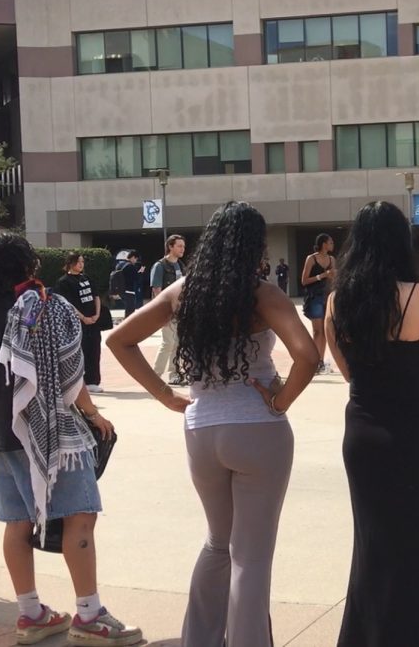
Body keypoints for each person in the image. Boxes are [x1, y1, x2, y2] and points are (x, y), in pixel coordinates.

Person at [108, 202, 316, 647]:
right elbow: (308, 355)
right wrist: (280, 399)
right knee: (251, 557)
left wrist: (165, 396)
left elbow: (119, 339)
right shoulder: (262, 294)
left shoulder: (182, 291)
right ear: (255, 246)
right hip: (258, 430)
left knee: (218, 544)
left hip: (202, 429)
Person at [0, 229, 143, 646]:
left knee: (17, 523)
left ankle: (30, 613)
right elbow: (68, 375)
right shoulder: (43, 308)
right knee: (79, 515)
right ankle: (89, 616)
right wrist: (93, 414)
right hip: (52, 436)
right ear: (28, 264)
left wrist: (9, 401)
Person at [324, 201, 419, 647]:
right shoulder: (416, 297)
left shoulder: (338, 301)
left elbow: (346, 369)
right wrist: (417, 411)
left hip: (363, 428)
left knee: (372, 545)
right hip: (417, 430)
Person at [55, 252, 105, 394]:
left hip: (93, 322)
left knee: (94, 350)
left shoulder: (87, 278)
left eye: (82, 261)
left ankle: (93, 381)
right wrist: (83, 318)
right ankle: (79, 382)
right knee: (80, 351)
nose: (81, 264)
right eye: (78, 262)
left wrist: (96, 314)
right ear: (70, 263)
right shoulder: (64, 282)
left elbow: (96, 296)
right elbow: (67, 304)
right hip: (77, 324)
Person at [151, 234, 187, 385]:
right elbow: (157, 290)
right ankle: (154, 376)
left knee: (178, 343)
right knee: (168, 343)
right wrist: (163, 313)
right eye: (179, 246)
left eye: (183, 246)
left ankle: (174, 374)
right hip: (166, 311)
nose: (182, 249)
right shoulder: (160, 266)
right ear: (170, 247)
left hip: (180, 311)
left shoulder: (180, 265)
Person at [301, 233, 336, 374]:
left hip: (327, 297)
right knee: (317, 332)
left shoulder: (332, 259)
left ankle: (321, 362)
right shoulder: (311, 258)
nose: (332, 244)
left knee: (326, 331)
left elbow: (333, 280)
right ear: (323, 244)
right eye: (330, 242)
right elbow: (304, 281)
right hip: (315, 296)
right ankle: (314, 362)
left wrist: (334, 276)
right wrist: (322, 275)